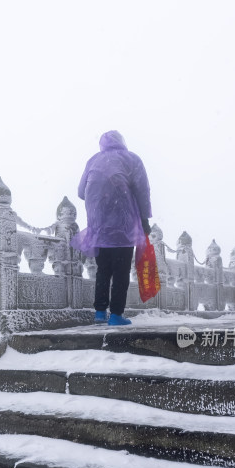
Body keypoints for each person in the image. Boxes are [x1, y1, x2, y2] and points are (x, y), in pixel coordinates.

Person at [71, 130, 152, 325]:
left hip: (99, 227)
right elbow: (142, 190)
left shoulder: (94, 160)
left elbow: (81, 192)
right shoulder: (131, 159)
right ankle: (116, 315)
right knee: (121, 270)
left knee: (103, 269)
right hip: (124, 226)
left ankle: (99, 312)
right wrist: (144, 219)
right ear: (122, 142)